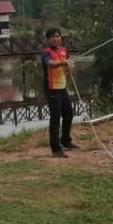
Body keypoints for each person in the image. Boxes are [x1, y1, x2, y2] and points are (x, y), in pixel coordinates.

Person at [41, 27, 76, 158]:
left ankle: (66, 141)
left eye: (58, 36)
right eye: (53, 36)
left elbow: (67, 69)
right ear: (48, 39)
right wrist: (63, 62)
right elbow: (51, 64)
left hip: (62, 87)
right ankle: (56, 149)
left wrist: (70, 66)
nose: (56, 38)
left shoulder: (63, 51)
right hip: (52, 89)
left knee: (69, 114)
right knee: (55, 118)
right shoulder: (46, 53)